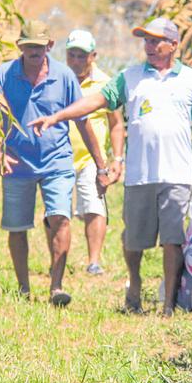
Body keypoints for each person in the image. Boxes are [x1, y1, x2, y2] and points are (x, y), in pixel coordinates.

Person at [28, 17, 192, 316]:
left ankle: (167, 306)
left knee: (173, 239)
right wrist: (57, 117)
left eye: (156, 41)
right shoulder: (130, 77)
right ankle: (135, 288)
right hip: (140, 174)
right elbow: (96, 101)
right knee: (134, 240)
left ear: (174, 45)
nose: (149, 47)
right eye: (146, 41)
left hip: (177, 173)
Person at [0, 20, 111, 307]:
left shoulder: (64, 76)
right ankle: (23, 287)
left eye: (39, 47)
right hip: (17, 163)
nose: (33, 52)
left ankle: (56, 287)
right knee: (17, 227)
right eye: (28, 46)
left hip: (57, 161)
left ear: (49, 46)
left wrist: (100, 165)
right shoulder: (4, 75)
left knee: (60, 219)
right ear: (20, 46)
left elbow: (82, 121)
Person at [64, 30, 125, 275]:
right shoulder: (59, 79)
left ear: (93, 56)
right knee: (58, 211)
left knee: (94, 206)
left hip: (92, 156)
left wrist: (117, 158)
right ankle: (58, 258)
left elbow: (116, 124)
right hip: (61, 155)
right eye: (72, 55)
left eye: (82, 56)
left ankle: (94, 261)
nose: (76, 61)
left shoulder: (105, 83)